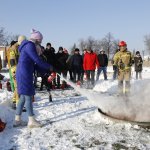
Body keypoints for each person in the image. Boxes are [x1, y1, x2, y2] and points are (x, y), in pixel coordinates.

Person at [14, 29, 54, 128]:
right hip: (24, 74)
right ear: (36, 40)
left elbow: (35, 64)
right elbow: (37, 60)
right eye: (40, 41)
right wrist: (49, 66)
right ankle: (31, 120)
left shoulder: (28, 46)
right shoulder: (30, 45)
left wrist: (46, 71)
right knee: (28, 96)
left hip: (23, 73)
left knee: (23, 98)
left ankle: (17, 120)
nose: (40, 43)